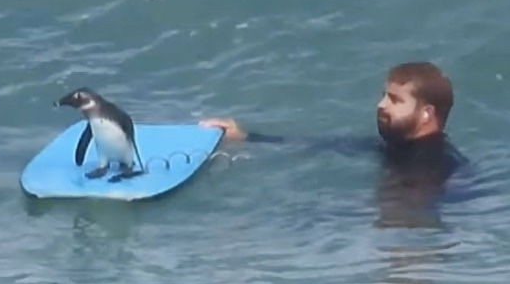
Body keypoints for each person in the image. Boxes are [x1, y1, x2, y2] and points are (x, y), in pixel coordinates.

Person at [200, 61, 468, 227]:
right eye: (383, 96)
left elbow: (410, 212)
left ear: (426, 114)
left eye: (395, 100)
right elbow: (325, 145)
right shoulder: (397, 146)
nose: (381, 104)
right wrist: (246, 137)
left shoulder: (432, 162)